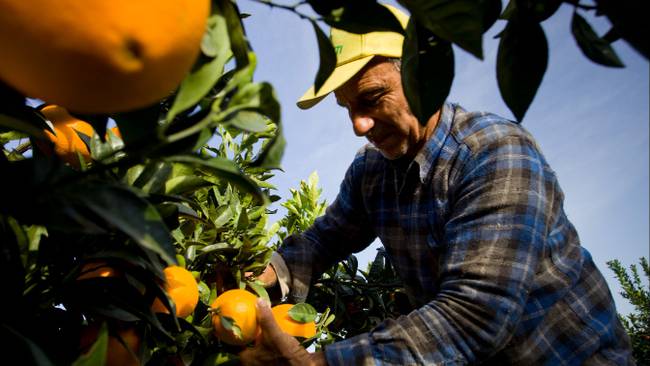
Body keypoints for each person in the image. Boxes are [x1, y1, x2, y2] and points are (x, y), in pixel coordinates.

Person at [240, 4, 634, 365]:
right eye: (348, 109)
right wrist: (266, 280)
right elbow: (325, 238)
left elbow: (475, 315)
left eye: (372, 98)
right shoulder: (371, 171)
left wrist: (321, 362)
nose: (358, 126)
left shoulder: (496, 153)